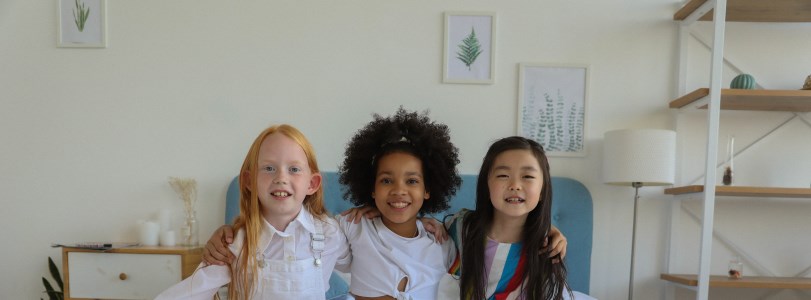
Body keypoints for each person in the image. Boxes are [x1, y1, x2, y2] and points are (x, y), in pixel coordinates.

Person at [155, 124, 350, 299]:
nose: (281, 177)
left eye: (294, 169)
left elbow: (367, 259)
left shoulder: (328, 232)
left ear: (312, 184)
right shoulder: (238, 243)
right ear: (249, 181)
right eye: (269, 168)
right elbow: (193, 291)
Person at [447, 136, 574, 299]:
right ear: (487, 185)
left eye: (527, 176)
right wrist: (424, 223)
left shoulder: (546, 249)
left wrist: (545, 229)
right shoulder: (461, 226)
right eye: (503, 175)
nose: (515, 185)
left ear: (542, 190)